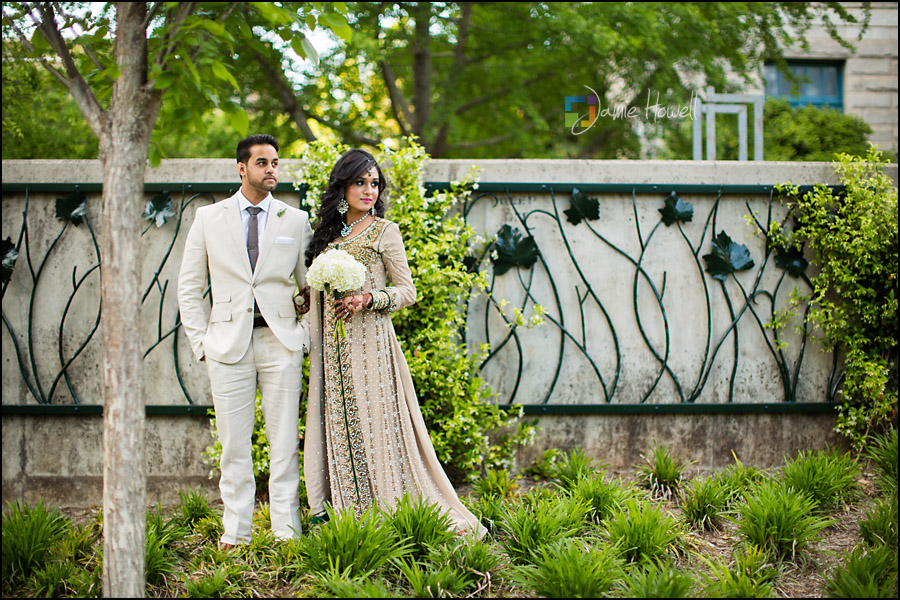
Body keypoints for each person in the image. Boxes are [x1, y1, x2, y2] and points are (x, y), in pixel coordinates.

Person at [303, 148, 486, 538]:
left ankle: (385, 511)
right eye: (360, 182)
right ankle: (348, 513)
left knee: (374, 424)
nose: (368, 190)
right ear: (343, 186)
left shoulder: (385, 231)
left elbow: (407, 291)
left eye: (374, 183)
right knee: (339, 424)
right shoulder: (328, 236)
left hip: (370, 345)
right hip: (332, 352)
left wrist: (369, 298)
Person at [177, 134, 312, 549]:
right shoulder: (208, 219)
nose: (271, 169)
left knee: (284, 442)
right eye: (262, 163)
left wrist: (302, 336)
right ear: (242, 168)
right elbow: (189, 286)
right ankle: (235, 533)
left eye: (275, 163)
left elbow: (310, 289)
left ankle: (286, 532)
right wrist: (202, 343)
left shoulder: (295, 220)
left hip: (279, 342)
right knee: (234, 445)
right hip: (227, 346)